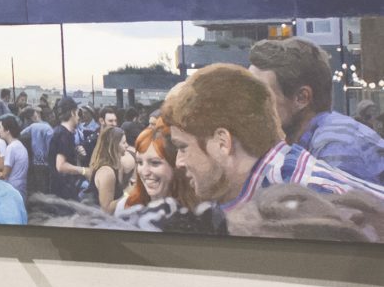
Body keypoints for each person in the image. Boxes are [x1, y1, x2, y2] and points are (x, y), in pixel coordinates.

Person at [162, 63, 384, 214]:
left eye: (183, 148)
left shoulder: (305, 206)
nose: (179, 162)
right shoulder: (276, 182)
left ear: (223, 142)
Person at [249, 37, 384, 184]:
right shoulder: (311, 142)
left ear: (302, 98)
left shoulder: (337, 147)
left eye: (260, 95)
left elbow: (329, 205)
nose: (248, 105)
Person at [123, 120, 197, 211]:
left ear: (174, 164)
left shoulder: (199, 212)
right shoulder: (127, 207)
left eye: (154, 163)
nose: (144, 172)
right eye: (140, 162)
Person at [88, 127, 132, 213]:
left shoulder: (117, 166)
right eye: (124, 143)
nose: (127, 145)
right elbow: (106, 209)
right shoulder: (107, 172)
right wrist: (128, 194)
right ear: (114, 145)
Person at [48, 97, 84, 200]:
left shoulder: (61, 132)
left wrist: (75, 153)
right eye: (77, 112)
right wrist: (84, 171)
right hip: (63, 192)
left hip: (61, 190)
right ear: (72, 113)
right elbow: (61, 166)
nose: (79, 116)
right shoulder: (63, 135)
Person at [20, 107, 53, 194]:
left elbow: (20, 135)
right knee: (46, 187)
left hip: (35, 161)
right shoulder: (48, 127)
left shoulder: (32, 126)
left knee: (38, 187)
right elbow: (50, 146)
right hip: (46, 162)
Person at [0, 114, 29, 200]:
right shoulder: (20, 145)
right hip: (21, 187)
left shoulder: (11, 148)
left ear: (7, 130)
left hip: (13, 188)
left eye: (0, 127)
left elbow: (4, 174)